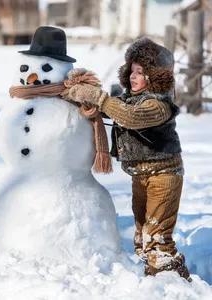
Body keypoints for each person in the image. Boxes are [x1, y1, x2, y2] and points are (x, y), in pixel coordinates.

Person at [62, 37, 191, 280]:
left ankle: (177, 286)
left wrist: (99, 98)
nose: (133, 76)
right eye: (131, 70)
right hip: (140, 176)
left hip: (164, 176)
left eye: (140, 72)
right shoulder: (129, 99)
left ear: (155, 75)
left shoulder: (159, 104)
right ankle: (155, 281)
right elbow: (114, 108)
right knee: (142, 240)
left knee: (157, 240)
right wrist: (83, 95)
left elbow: (130, 117)